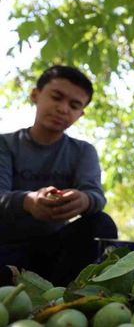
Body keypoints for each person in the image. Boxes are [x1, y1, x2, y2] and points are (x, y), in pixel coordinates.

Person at [0, 65, 118, 286]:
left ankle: (65, 297)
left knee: (100, 223)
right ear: (36, 95)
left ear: (81, 114)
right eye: (56, 97)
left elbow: (95, 196)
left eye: (74, 105)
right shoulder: (5, 145)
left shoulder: (83, 151)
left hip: (53, 254)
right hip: (5, 248)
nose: (63, 109)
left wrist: (83, 200)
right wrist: (28, 201)